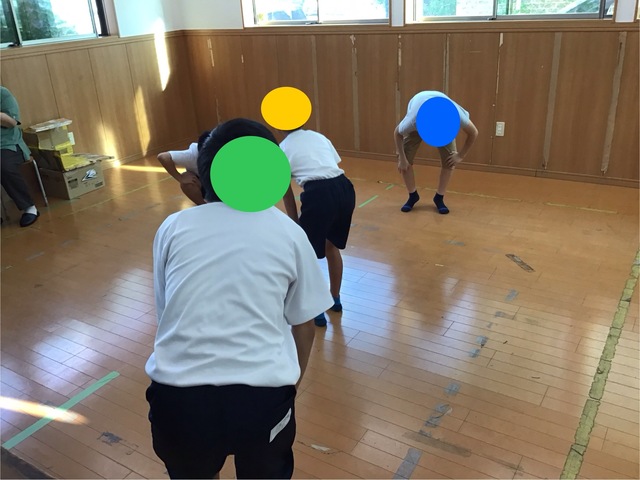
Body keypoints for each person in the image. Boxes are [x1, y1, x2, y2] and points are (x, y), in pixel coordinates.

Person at [146, 118, 334, 480]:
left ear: (203, 175)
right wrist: (290, 388)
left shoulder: (172, 227)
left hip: (177, 399)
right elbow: (304, 324)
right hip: (262, 398)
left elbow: (165, 310)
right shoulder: (289, 233)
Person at [280, 127, 356, 327]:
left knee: (307, 256)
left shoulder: (283, 148)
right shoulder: (318, 136)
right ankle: (335, 299)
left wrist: (294, 222)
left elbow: (286, 191)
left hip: (318, 194)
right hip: (345, 189)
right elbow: (331, 165)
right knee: (332, 247)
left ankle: (317, 310)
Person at [394, 91, 478, 214]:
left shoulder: (456, 115)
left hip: (442, 121)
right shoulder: (413, 121)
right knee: (405, 159)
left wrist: (460, 155)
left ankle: (439, 197)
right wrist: (401, 158)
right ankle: (412, 195)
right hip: (419, 111)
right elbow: (397, 133)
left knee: (450, 160)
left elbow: (474, 132)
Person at [1, 86, 39, 227]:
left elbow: (11, 123)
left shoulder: (3, 94)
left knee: (3, 166)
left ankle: (29, 207)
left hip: (7, 144)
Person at [157, 129, 211, 206]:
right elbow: (163, 157)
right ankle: (203, 205)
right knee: (187, 182)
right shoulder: (192, 154)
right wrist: (180, 178)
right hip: (204, 184)